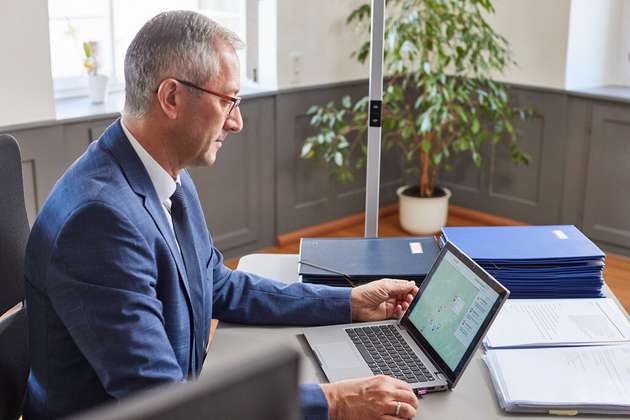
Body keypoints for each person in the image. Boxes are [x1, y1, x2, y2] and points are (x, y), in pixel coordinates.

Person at [23, 10, 419, 420]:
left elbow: (216, 284)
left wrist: (349, 302)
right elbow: (163, 402)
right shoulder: (99, 222)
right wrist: (334, 401)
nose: (238, 122)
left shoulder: (165, 172)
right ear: (172, 98)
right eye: (228, 100)